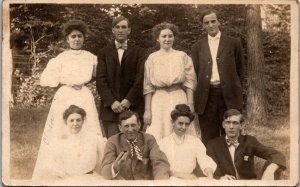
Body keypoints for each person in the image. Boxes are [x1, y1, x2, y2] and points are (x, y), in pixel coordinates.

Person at [33, 20, 105, 180]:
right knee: (63, 128)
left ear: (84, 38)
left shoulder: (91, 57)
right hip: (65, 95)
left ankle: (88, 166)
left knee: (87, 127)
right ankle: (60, 167)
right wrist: (64, 82)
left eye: (80, 36)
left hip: (84, 95)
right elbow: (46, 79)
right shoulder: (61, 58)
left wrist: (84, 82)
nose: (77, 39)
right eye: (73, 36)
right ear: (67, 39)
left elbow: (99, 75)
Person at [191, 9, 245, 146]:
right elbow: (195, 73)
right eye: (206, 23)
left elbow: (240, 70)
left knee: (231, 132)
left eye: (213, 21)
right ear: (203, 26)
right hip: (207, 96)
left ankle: (233, 163)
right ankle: (211, 165)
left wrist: (238, 92)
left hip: (229, 95)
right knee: (209, 135)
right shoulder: (197, 47)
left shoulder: (233, 43)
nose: (210, 25)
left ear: (218, 22)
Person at [143, 22, 198, 141]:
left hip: (179, 96)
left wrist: (190, 103)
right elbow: (148, 86)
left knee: (181, 127)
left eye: (170, 36)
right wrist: (148, 110)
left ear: (174, 37)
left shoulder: (182, 56)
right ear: (158, 38)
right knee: (158, 131)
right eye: (164, 36)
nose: (167, 39)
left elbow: (190, 82)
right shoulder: (152, 58)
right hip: (159, 99)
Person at [96, 16, 146, 138]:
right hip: (110, 110)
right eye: (117, 27)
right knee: (114, 146)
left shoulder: (139, 52)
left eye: (124, 27)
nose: (120, 30)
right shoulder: (103, 53)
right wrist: (112, 102)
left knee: (135, 146)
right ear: (113, 30)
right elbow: (100, 80)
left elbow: (141, 79)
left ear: (129, 30)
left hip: (133, 107)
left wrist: (128, 100)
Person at [206, 109, 286, 180]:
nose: (231, 127)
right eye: (228, 122)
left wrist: (270, 170)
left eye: (235, 123)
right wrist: (220, 179)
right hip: (227, 185)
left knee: (273, 165)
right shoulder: (213, 145)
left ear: (241, 126)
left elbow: (278, 155)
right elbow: (210, 171)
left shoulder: (249, 141)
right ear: (223, 125)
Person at [32, 105, 105, 182]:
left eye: (78, 120)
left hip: (90, 179)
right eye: (71, 120)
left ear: (83, 121)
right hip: (68, 180)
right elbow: (55, 166)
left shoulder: (94, 139)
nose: (75, 123)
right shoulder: (59, 141)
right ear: (65, 121)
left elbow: (104, 160)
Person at [101, 110, 170, 180]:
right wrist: (115, 167)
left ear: (139, 125)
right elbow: (105, 172)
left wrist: (161, 183)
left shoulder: (149, 139)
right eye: (126, 126)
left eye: (133, 125)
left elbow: (160, 163)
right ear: (120, 128)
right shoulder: (112, 142)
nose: (130, 129)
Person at [159, 104, 216, 180]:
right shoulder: (163, 143)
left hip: (191, 179)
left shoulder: (195, 141)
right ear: (172, 122)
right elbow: (162, 168)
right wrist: (182, 175)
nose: (183, 127)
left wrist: (209, 172)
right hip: (171, 179)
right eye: (180, 123)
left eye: (187, 124)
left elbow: (203, 158)